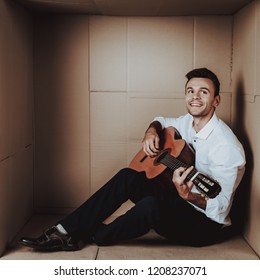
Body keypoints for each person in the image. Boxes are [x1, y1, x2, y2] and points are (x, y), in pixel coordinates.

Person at [18, 68, 246, 251]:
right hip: (179, 201)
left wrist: (190, 196)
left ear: (216, 101)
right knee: (128, 175)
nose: (195, 97)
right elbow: (160, 120)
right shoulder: (187, 121)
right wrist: (151, 132)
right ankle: (63, 231)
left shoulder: (227, 147)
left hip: (204, 224)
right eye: (190, 91)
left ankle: (94, 234)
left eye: (203, 92)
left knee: (150, 206)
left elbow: (221, 206)